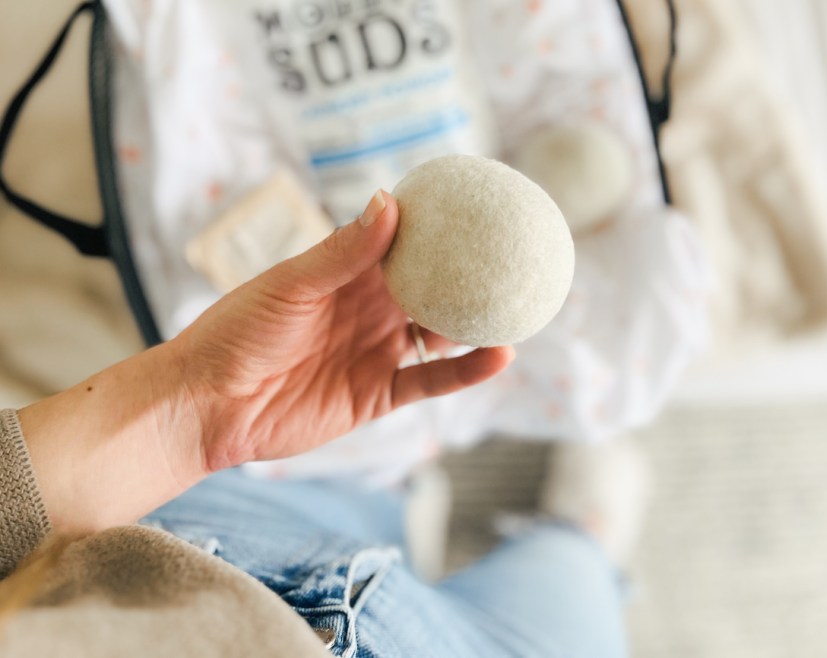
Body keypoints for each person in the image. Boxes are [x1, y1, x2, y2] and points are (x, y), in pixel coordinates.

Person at [0, 192, 633, 657]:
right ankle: (582, 530)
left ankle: (389, 502)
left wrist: (197, 412)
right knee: (574, 576)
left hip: (190, 551)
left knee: (350, 491)